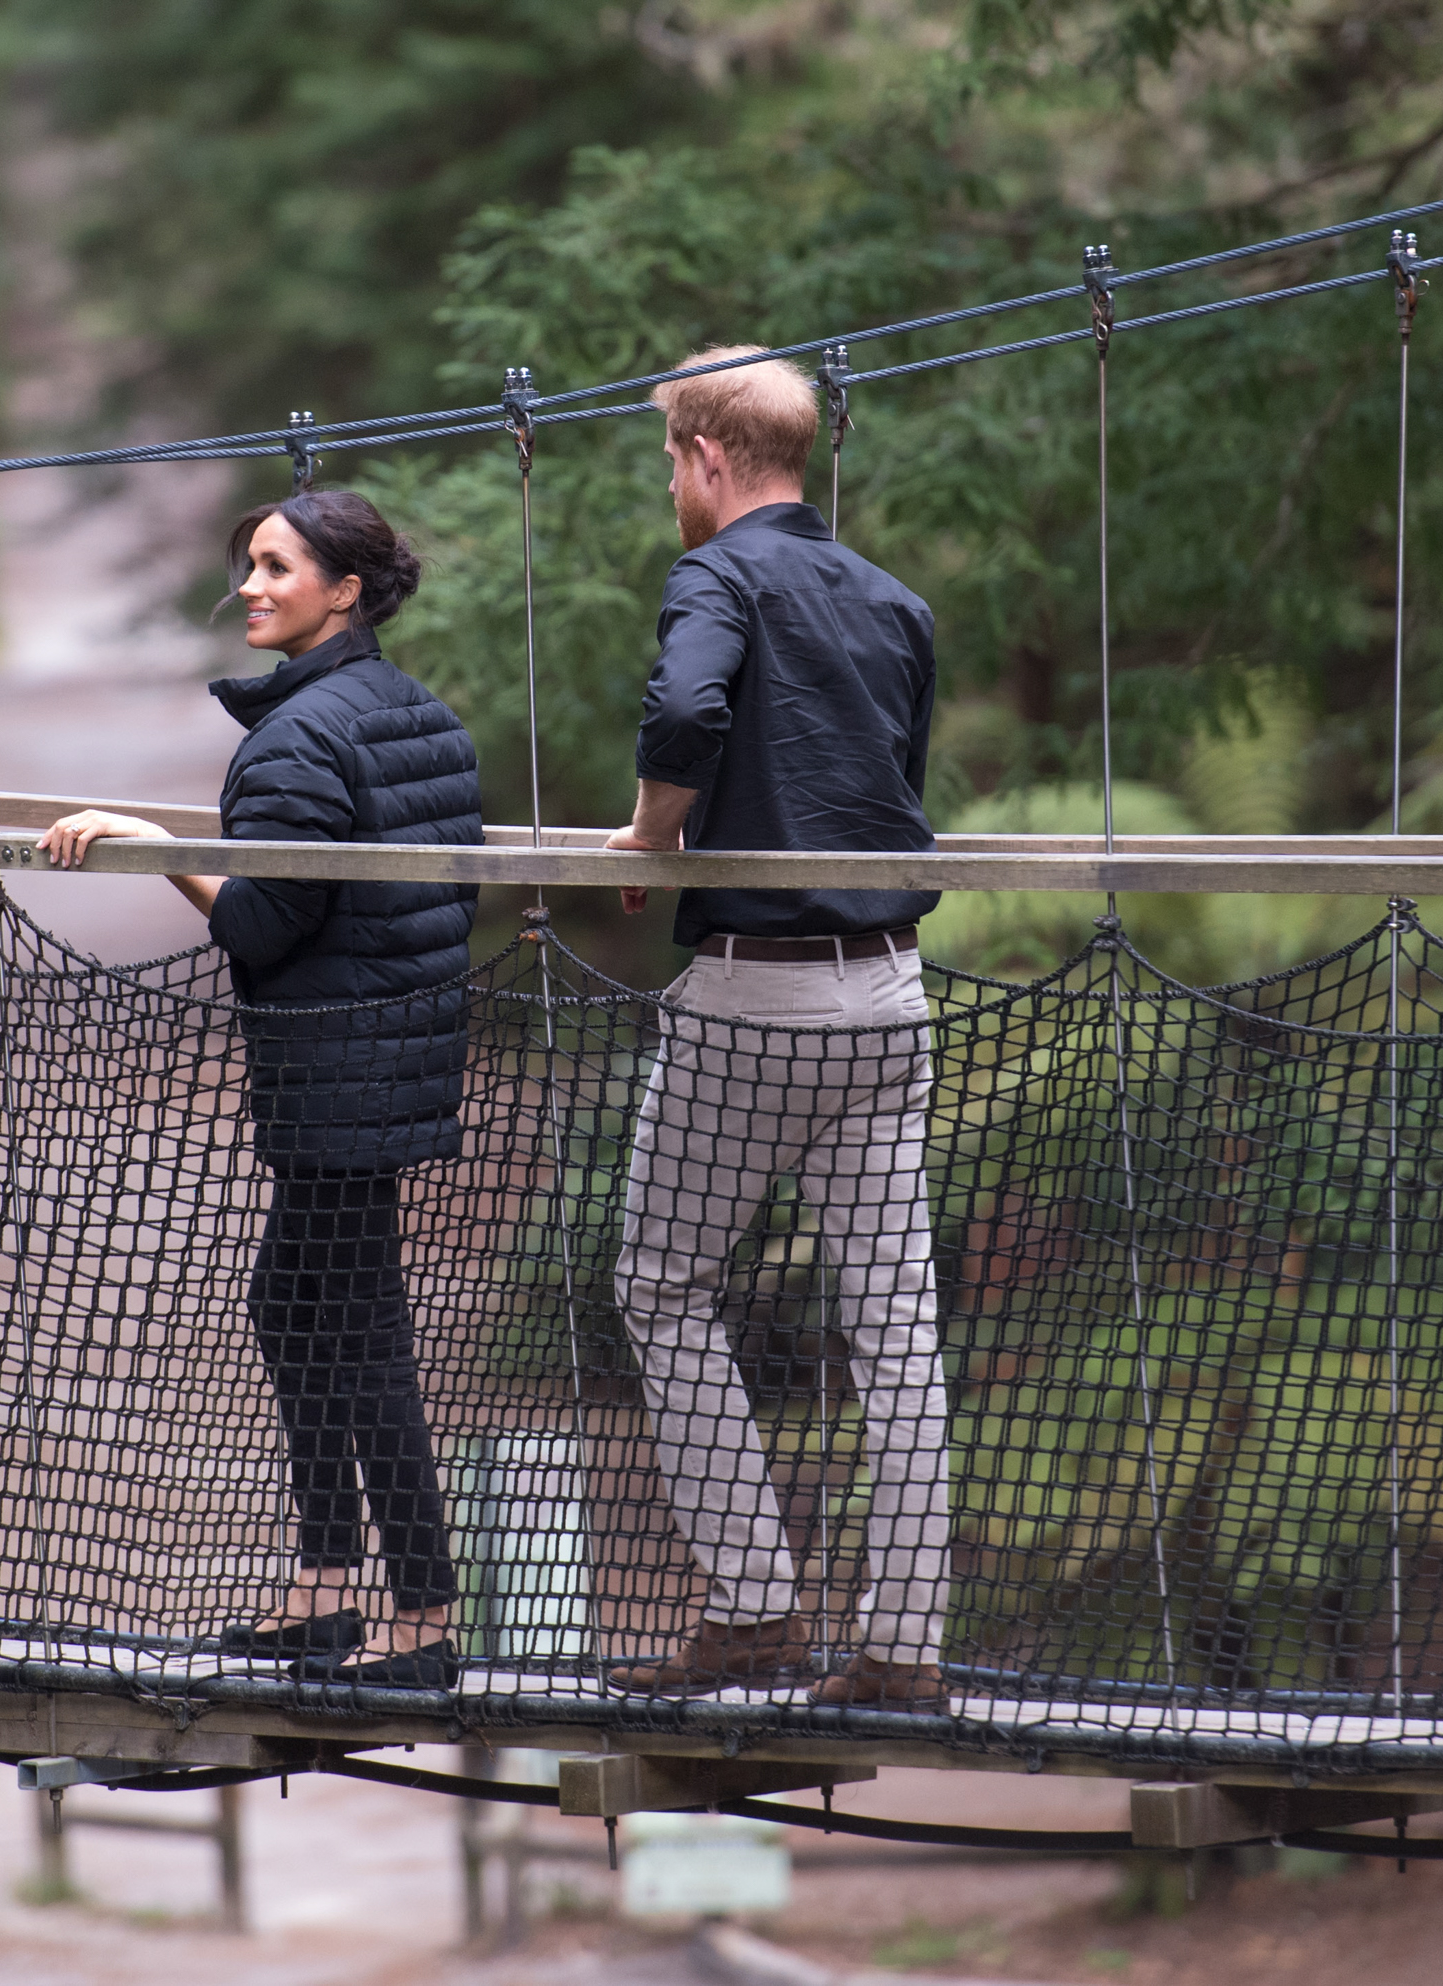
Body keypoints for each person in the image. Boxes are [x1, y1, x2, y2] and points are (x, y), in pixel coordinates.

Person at [38, 489, 481, 1688]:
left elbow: (259, 929)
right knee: (297, 1314)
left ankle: (424, 1619)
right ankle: (327, 1589)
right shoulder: (418, 714)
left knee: (358, 1335)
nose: (249, 582)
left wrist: (149, 842)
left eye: (276, 565)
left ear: (344, 590)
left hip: (336, 1076)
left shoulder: (295, 738)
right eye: (248, 562)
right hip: (392, 1062)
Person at [598, 348, 952, 1708]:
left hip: (758, 996)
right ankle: (902, 1647)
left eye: (669, 462)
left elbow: (689, 708)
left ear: (706, 457)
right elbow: (888, 787)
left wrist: (645, 834)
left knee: (661, 1281)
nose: (670, 486)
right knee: (897, 1326)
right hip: (889, 990)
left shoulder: (719, 574)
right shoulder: (894, 601)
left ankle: (753, 1606)